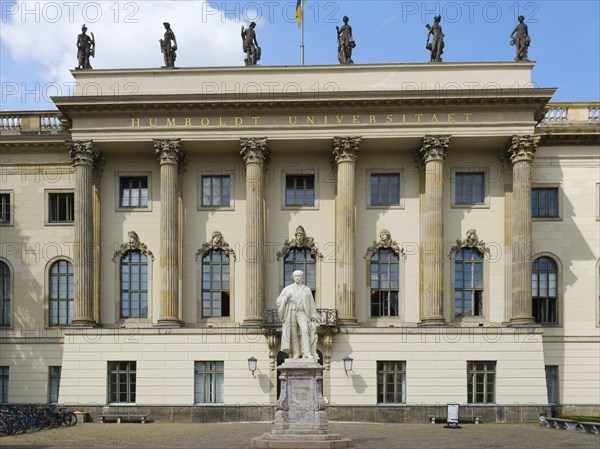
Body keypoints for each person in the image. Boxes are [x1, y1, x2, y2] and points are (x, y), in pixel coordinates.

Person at [276, 270, 318, 359]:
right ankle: (296, 353)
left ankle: (307, 352)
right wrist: (286, 298)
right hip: (291, 311)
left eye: (299, 276)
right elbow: (278, 301)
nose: (297, 277)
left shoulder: (307, 289)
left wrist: (314, 316)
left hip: (302, 312)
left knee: (305, 331)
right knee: (293, 333)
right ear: (293, 278)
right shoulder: (287, 289)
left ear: (302, 277)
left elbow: (311, 303)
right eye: (295, 276)